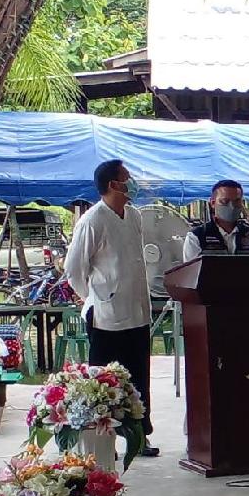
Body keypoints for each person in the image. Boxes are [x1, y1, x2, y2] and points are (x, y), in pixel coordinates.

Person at [65, 159, 159, 457]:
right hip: (106, 316)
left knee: (138, 379)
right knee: (105, 382)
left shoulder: (133, 215)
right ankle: (104, 442)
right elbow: (74, 269)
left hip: (137, 312)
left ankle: (139, 437)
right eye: (126, 178)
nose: (132, 183)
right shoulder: (93, 220)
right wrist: (94, 297)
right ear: (112, 185)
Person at [182, 180, 249, 261]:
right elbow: (191, 272)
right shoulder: (196, 236)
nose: (232, 206)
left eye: (236, 201)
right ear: (213, 203)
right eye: (225, 201)